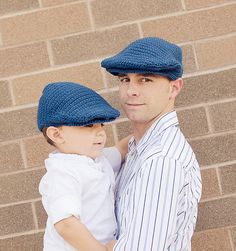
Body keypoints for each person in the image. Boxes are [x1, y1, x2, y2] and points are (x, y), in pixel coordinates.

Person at [101, 37, 202, 250]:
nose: (131, 90)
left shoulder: (162, 159)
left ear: (174, 88)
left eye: (145, 80)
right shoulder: (138, 149)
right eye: (124, 79)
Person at [37, 82, 130, 251]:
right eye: (89, 125)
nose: (100, 132)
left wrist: (151, 128)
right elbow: (66, 224)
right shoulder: (63, 173)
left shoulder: (98, 158)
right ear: (57, 134)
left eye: (101, 124)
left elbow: (123, 148)